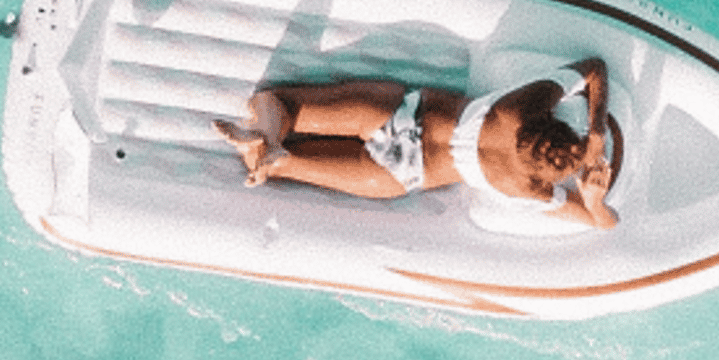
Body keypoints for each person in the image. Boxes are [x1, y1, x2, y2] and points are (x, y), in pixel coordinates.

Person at [213, 57, 618, 227]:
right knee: (283, 165)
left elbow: (594, 70)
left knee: (273, 102)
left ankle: (264, 133)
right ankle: (267, 154)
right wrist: (594, 200)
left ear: (551, 122)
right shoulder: (526, 188)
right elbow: (601, 224)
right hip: (401, 174)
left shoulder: (520, 109)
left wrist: (596, 130)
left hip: (401, 114)